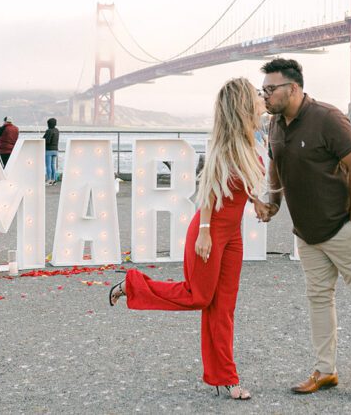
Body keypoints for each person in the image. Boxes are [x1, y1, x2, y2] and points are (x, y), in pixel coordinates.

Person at [108, 77, 270, 401]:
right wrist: (206, 233)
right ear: (242, 105)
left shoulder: (254, 139)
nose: (262, 98)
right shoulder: (224, 145)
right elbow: (209, 189)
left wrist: (257, 202)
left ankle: (225, 378)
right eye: (255, 96)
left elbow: (242, 185)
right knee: (198, 296)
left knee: (223, 307)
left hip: (233, 234)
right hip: (209, 230)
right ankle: (133, 286)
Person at [254, 58, 351, 401]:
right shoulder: (274, 124)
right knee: (318, 299)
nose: (266, 96)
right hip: (306, 233)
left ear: (294, 88)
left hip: (341, 227)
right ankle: (325, 370)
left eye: (271, 89)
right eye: (264, 90)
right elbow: (276, 167)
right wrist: (272, 204)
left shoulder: (328, 118)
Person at [42, 118, 59, 184]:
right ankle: (53, 179)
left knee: (48, 165)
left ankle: (48, 179)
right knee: (53, 165)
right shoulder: (57, 130)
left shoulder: (49, 131)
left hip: (49, 150)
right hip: (55, 150)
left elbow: (47, 141)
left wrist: (43, 138)